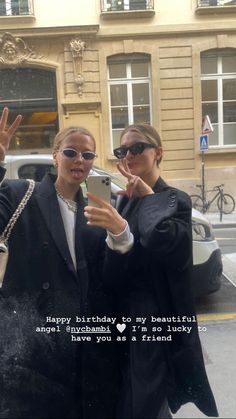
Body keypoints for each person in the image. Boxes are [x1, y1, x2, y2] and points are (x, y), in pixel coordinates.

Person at [0, 107, 133, 419]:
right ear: (55, 154)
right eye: (71, 152)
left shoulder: (95, 207)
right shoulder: (22, 193)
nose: (80, 161)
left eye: (88, 155)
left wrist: (121, 233)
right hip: (32, 346)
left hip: (82, 347)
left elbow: (108, 277)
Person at [84, 123, 218, 419]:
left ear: (158, 152)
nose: (129, 155)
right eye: (122, 150)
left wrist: (149, 200)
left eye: (137, 147)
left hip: (153, 321)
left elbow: (167, 247)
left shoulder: (174, 200)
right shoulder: (122, 199)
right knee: (128, 398)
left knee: (142, 401)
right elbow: (116, 264)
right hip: (120, 317)